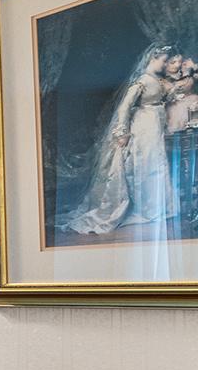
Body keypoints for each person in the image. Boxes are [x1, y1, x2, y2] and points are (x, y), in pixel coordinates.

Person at [63, 44, 178, 237]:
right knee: (147, 164)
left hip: (154, 125)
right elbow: (124, 107)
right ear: (152, 58)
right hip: (143, 127)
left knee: (156, 163)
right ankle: (147, 207)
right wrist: (122, 132)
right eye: (163, 60)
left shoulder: (155, 80)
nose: (165, 64)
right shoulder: (141, 81)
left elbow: (159, 100)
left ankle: (159, 206)